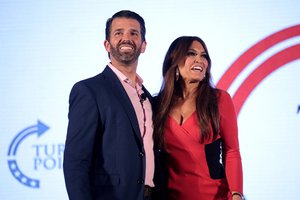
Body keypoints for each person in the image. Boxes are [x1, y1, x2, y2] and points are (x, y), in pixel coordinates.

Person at [63, 10, 159, 200]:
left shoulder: (148, 98)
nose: (126, 38)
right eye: (118, 33)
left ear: (144, 45)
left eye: (134, 33)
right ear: (107, 44)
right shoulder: (89, 90)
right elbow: (76, 162)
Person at [153, 36, 244, 200]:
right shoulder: (159, 105)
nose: (200, 60)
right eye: (191, 53)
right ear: (175, 61)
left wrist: (237, 194)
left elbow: (232, 151)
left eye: (204, 56)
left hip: (216, 196)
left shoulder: (219, 100)